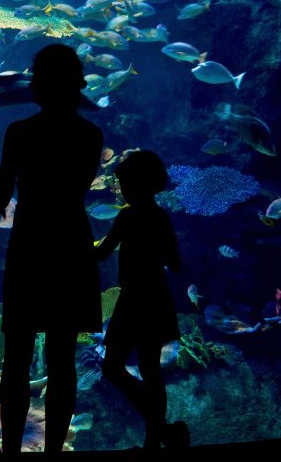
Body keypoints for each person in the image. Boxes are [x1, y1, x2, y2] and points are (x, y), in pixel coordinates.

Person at [0, 43, 104, 453]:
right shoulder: (90, 135)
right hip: (70, 242)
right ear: (77, 87)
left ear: (37, 87)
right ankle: (53, 453)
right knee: (62, 357)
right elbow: (79, 188)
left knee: (16, 356)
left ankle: (12, 451)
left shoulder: (20, 132)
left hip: (30, 245)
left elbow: (0, 198)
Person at [94, 150, 190, 455]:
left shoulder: (127, 215)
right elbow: (175, 263)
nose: (121, 189)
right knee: (150, 370)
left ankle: (158, 433)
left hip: (135, 298)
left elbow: (102, 252)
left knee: (112, 368)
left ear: (139, 183)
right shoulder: (160, 217)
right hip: (156, 297)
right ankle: (156, 438)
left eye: (124, 184)